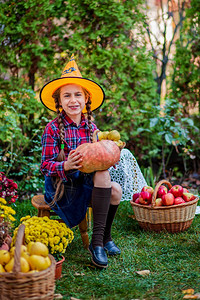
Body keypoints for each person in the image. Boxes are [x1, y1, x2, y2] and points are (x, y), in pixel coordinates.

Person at [39, 55, 122, 268]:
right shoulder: (52, 129)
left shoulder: (92, 129)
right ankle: (99, 243)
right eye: (67, 96)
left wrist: (111, 155)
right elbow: (45, 166)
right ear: (59, 102)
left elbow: (100, 159)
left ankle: (102, 240)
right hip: (63, 187)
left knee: (116, 190)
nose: (73, 100)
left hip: (87, 184)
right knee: (105, 180)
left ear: (86, 100)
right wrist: (65, 165)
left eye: (78, 95)